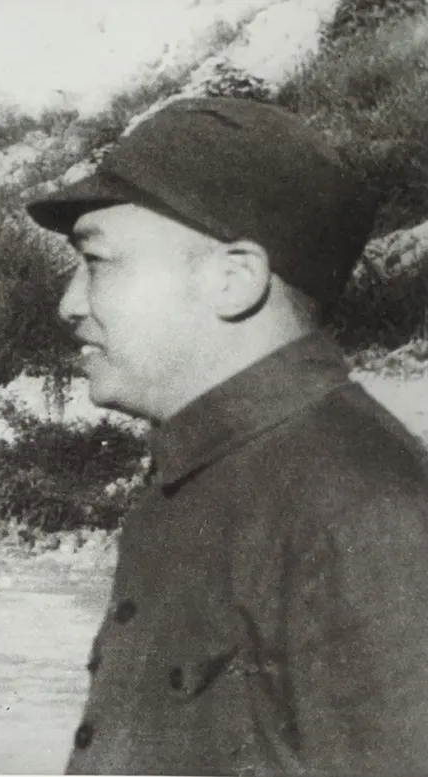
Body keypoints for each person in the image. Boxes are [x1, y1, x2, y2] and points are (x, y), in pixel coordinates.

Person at [26, 96, 428, 776]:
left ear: (234, 279)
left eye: (96, 261)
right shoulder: (206, 472)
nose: (68, 303)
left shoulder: (360, 507)